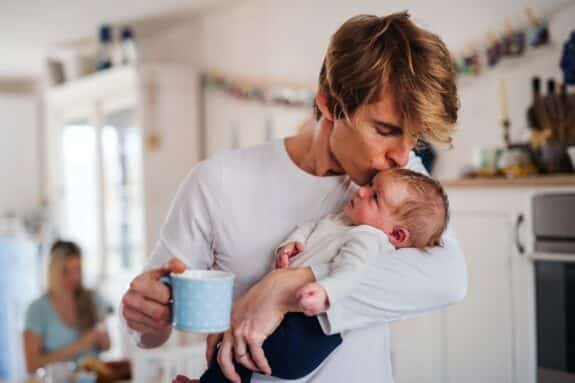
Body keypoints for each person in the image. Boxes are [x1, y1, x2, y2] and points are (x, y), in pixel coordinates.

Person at [122, 12, 467, 383]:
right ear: (330, 104)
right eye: (385, 130)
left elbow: (448, 279)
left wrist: (283, 287)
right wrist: (147, 319)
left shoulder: (399, 183)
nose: (401, 156)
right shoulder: (217, 182)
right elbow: (150, 328)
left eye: (414, 138)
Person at [200, 168, 449, 382]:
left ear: (396, 236)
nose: (361, 191)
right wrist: (293, 242)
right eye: (370, 184)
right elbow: (310, 227)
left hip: (309, 333)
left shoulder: (367, 238)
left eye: (375, 197)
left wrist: (325, 291)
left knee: (245, 345)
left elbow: (352, 271)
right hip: (292, 314)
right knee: (239, 342)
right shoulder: (342, 220)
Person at [23, 240, 111, 373]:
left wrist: (102, 338)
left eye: (78, 270)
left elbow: (107, 346)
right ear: (53, 272)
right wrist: (81, 344)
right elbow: (32, 365)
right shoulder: (37, 309)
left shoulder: (93, 298)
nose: (74, 277)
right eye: (66, 271)